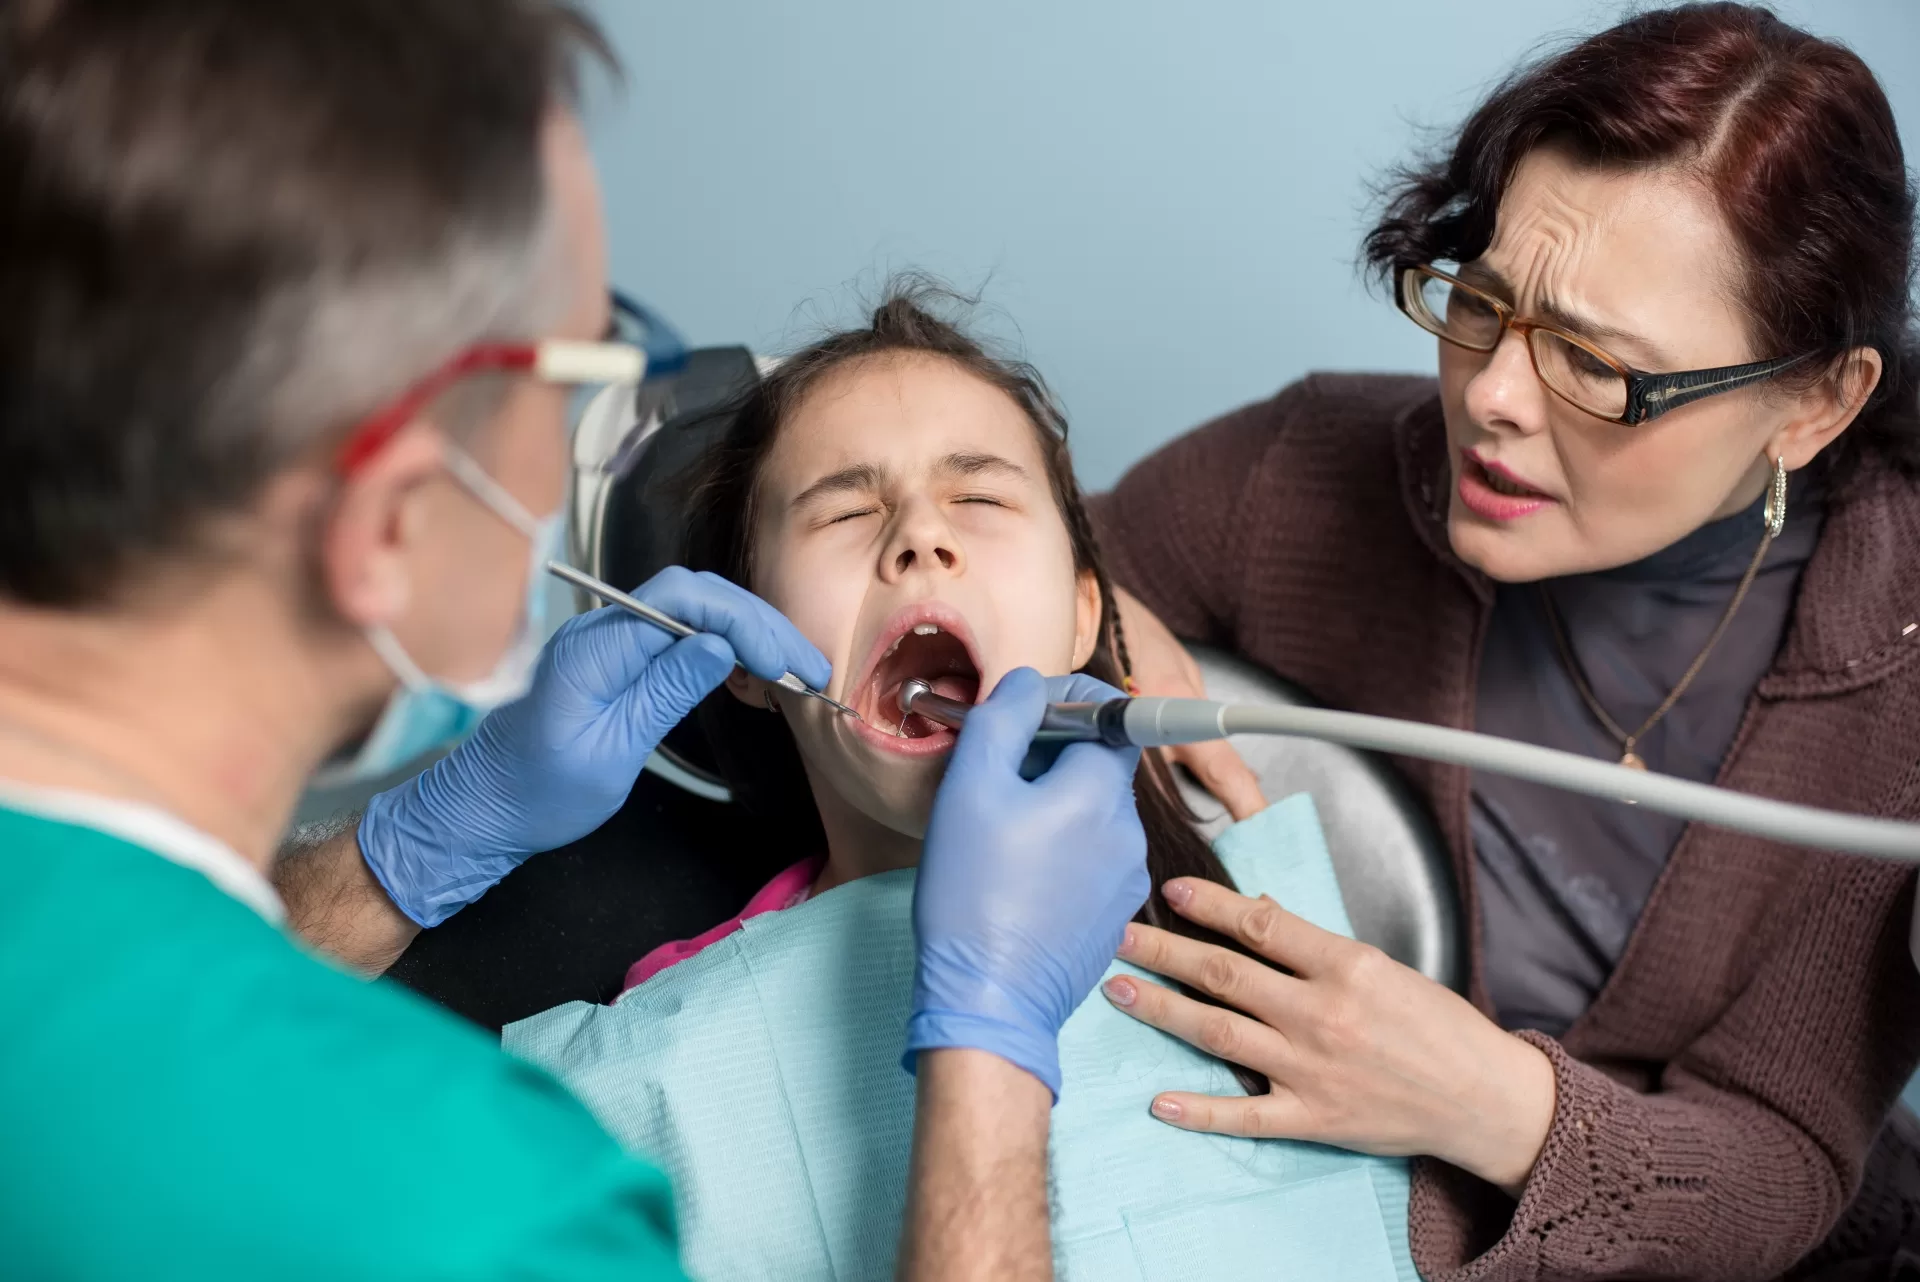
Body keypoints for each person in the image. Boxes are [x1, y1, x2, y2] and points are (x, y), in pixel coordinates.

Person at [0, 5, 1148, 1280]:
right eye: (574, 376)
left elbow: (124, 1027)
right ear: (391, 520)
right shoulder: (490, 1207)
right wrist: (988, 1056)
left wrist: (407, 853)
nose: (921, 541)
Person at [1083, 5, 1920, 1280]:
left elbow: (1788, 1161)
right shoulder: (1308, 468)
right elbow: (1010, 558)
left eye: (1596, 364)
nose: (1491, 396)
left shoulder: (1900, 682)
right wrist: (1080, 610)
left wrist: (1488, 1102)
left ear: (1815, 403)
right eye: (1481, 303)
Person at [499, 288, 1419, 1281]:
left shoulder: (1283, 947)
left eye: (978, 498)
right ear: (748, 655)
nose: (920, 537)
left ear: (1085, 619)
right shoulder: (657, 1061)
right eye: (847, 508)